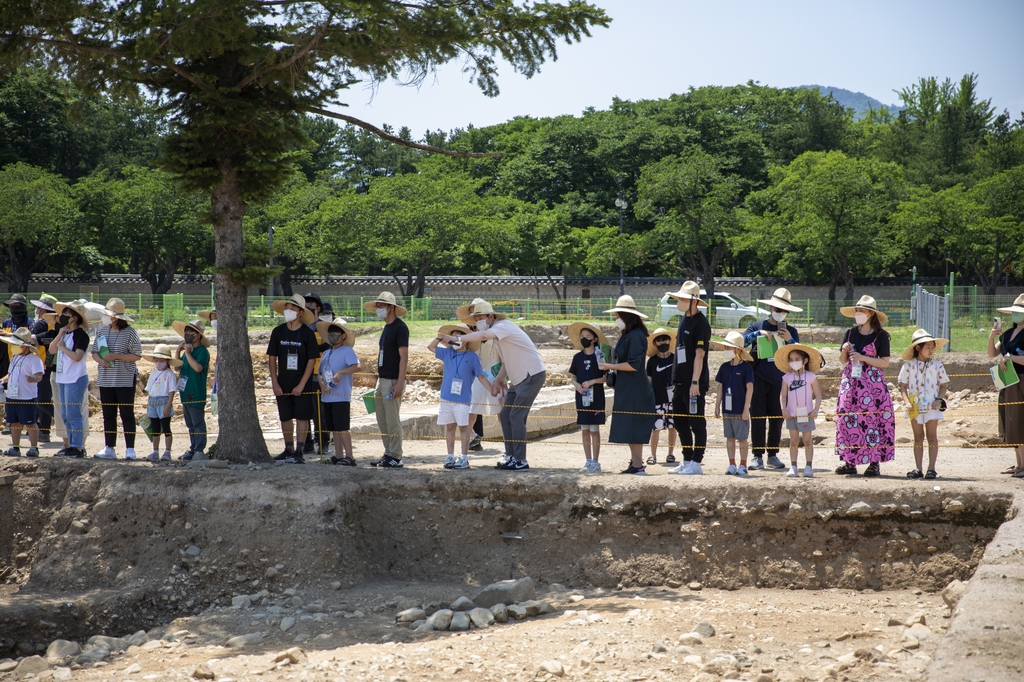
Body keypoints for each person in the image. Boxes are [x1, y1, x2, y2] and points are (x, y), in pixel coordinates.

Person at [441, 299, 546, 471]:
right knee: (505, 414)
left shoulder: (503, 326)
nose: (478, 322)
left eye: (481, 317)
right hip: (519, 379)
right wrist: (497, 380)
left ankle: (521, 460)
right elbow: (505, 363)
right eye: (476, 319)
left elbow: (482, 336)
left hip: (532, 374)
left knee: (516, 416)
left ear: (491, 316)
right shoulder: (497, 335)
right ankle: (511, 456)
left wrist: (457, 338)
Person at [743, 288, 803, 471]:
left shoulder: (791, 330)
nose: (780, 313)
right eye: (777, 309)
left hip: (781, 380)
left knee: (777, 418)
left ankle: (772, 455)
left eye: (783, 310)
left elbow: (801, 356)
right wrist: (757, 335)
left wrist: (790, 340)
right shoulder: (756, 326)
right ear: (770, 307)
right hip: (759, 378)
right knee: (758, 416)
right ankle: (757, 456)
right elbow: (741, 342)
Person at [597, 296, 657, 475]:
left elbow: (633, 365)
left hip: (635, 390)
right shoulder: (627, 334)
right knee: (630, 426)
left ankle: (638, 466)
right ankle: (635, 463)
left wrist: (609, 366)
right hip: (627, 388)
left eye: (617, 315)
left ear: (625, 316)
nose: (616, 318)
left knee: (635, 426)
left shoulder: (637, 336)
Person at [835, 296, 895, 476]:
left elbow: (884, 362)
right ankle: (849, 461)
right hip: (850, 383)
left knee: (873, 420)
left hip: (872, 385)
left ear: (870, 313)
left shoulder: (881, 336)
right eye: (857, 311)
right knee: (847, 418)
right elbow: (842, 360)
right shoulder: (850, 333)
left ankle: (874, 462)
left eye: (861, 311)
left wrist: (863, 358)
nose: (858, 314)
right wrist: (845, 350)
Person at [429, 324, 492, 469]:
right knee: (450, 427)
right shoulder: (447, 353)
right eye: (453, 337)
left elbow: (481, 376)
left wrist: (491, 389)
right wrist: (440, 338)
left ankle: (463, 457)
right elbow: (431, 347)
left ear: (466, 339)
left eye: (458, 337)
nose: (455, 341)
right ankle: (450, 456)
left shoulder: (472, 357)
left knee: (464, 427)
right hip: (446, 398)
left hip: (462, 400)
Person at [267, 294, 319, 463]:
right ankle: (288, 448)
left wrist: (302, 384)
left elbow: (312, 360)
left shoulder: (307, 334)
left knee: (302, 417)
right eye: (287, 308)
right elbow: (272, 358)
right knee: (285, 417)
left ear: (300, 313)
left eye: (293, 308)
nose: (289, 311)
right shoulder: (278, 332)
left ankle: (300, 451)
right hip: (282, 383)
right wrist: (275, 382)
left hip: (302, 384)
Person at [666, 281, 711, 475]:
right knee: (680, 421)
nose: (680, 302)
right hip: (680, 381)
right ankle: (686, 458)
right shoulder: (684, 319)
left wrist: (695, 382)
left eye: (683, 299)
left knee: (697, 422)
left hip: (694, 383)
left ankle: (697, 462)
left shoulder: (701, 323)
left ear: (694, 301)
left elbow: (699, 355)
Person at [91, 298, 142, 460]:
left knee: (127, 414)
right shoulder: (102, 331)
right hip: (105, 379)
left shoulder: (130, 333)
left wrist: (117, 356)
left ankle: (130, 449)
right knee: (108, 415)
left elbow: (136, 355)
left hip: (125, 379)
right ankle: (109, 447)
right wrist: (101, 361)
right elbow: (94, 352)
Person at [362, 292, 409, 468]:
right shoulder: (386, 328)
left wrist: (399, 382)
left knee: (392, 419)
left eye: (381, 306)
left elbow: (403, 357)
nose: (378, 309)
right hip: (382, 380)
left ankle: (396, 456)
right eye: (377, 306)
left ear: (391, 307)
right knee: (382, 420)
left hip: (392, 380)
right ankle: (388, 453)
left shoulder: (400, 327)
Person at [898, 329, 950, 480]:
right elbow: (902, 386)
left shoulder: (938, 365)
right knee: (918, 437)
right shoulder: (908, 366)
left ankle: (931, 468)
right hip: (914, 407)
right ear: (917, 348)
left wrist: (938, 400)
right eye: (927, 347)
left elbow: (943, 386)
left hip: (932, 407)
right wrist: (907, 402)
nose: (931, 350)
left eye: (932, 346)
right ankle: (918, 468)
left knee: (932, 436)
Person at [457, 299, 501, 451]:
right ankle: (466, 446)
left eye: (479, 314)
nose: (476, 316)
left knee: (501, 412)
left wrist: (504, 378)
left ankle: (510, 449)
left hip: (495, 374)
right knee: (472, 412)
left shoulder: (497, 330)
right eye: (473, 313)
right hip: (475, 375)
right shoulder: (465, 332)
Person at [49, 301, 90, 459]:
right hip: (63, 378)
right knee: (65, 414)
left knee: (74, 413)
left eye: (66, 314)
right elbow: (52, 349)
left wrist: (63, 347)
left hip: (76, 378)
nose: (62, 317)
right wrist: (60, 334)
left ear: (74, 318)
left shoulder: (81, 335)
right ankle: (71, 445)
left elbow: (77, 357)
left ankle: (77, 447)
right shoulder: (65, 334)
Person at [316, 317, 360, 466]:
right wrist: (321, 381)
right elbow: (320, 372)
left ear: (343, 336)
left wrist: (341, 372)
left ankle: (350, 456)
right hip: (327, 396)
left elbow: (356, 367)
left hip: (341, 396)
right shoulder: (327, 353)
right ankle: (339, 455)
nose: (332, 335)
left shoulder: (347, 351)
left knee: (342, 428)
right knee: (334, 428)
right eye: (330, 332)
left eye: (335, 332)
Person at [989, 294, 1024, 478]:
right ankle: (1019, 464)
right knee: (1010, 420)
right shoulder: (1008, 334)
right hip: (1007, 380)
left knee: (1020, 420)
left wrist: (1011, 358)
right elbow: (992, 353)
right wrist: (992, 335)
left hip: (1021, 380)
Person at [777, 343, 824, 478]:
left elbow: (819, 394)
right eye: (791, 360)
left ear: (805, 360)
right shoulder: (786, 377)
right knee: (793, 440)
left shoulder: (810, 376)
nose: (794, 362)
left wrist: (815, 410)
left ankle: (808, 467)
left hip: (807, 414)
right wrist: (784, 409)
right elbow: (783, 395)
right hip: (792, 414)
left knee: (808, 440)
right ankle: (793, 466)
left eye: (797, 359)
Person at [713, 332, 755, 476]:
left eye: (728, 347)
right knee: (729, 437)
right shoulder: (724, 367)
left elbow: (750, 388)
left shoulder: (746, 368)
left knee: (742, 438)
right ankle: (732, 464)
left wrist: (745, 409)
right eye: (725, 347)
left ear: (737, 350)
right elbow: (720, 387)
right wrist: (717, 406)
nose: (726, 350)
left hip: (740, 409)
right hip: (727, 409)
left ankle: (743, 465)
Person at [567, 321, 608, 473]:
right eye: (582, 336)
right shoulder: (577, 357)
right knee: (584, 429)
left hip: (596, 397)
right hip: (581, 397)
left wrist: (593, 381)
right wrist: (576, 385)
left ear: (595, 339)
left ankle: (596, 462)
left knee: (594, 430)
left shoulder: (600, 356)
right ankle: (588, 461)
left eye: (588, 336)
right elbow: (573, 377)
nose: (585, 339)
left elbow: (606, 378)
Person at [1, 328, 45, 457]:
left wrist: (33, 379)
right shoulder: (14, 358)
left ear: (24, 346)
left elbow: (39, 376)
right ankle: (15, 447)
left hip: (27, 396)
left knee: (30, 422)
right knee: (14, 422)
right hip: (12, 395)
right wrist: (3, 380)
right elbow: (10, 374)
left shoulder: (34, 359)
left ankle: (34, 447)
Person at [173, 318, 212, 461]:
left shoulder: (202, 352)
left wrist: (188, 353)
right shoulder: (186, 351)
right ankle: (193, 448)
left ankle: (199, 450)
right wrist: (178, 351)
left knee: (197, 423)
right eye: (186, 331)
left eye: (191, 331)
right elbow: (177, 367)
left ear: (198, 335)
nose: (187, 334)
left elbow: (198, 368)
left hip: (196, 392)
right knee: (190, 424)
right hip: (185, 393)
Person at [141, 344, 181, 462]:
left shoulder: (170, 374)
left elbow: (171, 391)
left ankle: (167, 451)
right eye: (157, 360)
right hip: (153, 402)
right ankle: (155, 451)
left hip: (164, 401)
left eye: (161, 360)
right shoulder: (153, 373)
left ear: (167, 361)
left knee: (166, 427)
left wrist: (168, 405)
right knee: (155, 428)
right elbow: (150, 390)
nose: (159, 362)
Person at [646, 328, 677, 466]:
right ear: (655, 343)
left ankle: (671, 454)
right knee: (656, 428)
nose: (662, 341)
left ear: (670, 341)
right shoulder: (651, 362)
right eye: (659, 340)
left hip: (673, 400)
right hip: (657, 400)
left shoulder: (676, 358)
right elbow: (649, 382)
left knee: (673, 427)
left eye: (664, 339)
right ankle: (652, 455)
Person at [29, 294, 58, 442]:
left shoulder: (41, 324)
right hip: (50, 364)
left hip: (41, 364)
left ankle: (49, 427)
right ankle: (40, 428)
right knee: (42, 398)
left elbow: (30, 340)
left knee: (41, 399)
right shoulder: (53, 325)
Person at [302, 292, 328, 455]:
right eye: (306, 305)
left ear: (318, 308)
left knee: (320, 412)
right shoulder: (300, 328)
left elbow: (327, 349)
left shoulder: (323, 328)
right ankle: (307, 442)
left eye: (312, 305)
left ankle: (323, 442)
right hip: (302, 376)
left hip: (318, 375)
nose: (308, 307)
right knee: (304, 411)